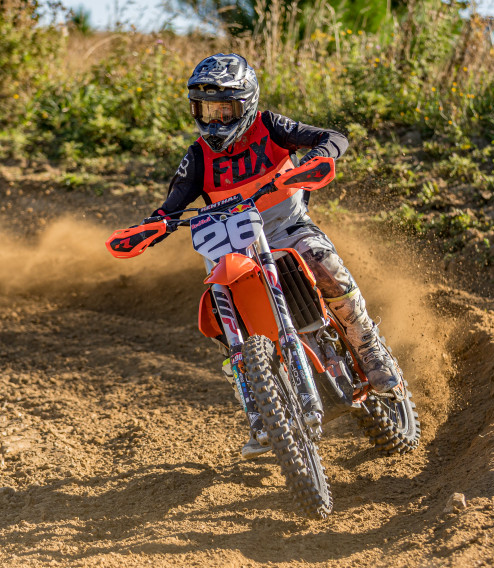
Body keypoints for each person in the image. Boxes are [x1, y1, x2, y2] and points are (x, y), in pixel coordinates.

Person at [150, 53, 400, 459]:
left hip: (288, 230)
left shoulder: (270, 127)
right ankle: (257, 406)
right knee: (218, 314)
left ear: (246, 104)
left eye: (224, 110)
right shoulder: (197, 157)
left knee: (323, 262)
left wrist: (319, 157)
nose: (215, 120)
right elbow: (170, 208)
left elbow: (332, 137)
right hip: (231, 249)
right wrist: (152, 227)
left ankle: (369, 348)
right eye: (205, 110)